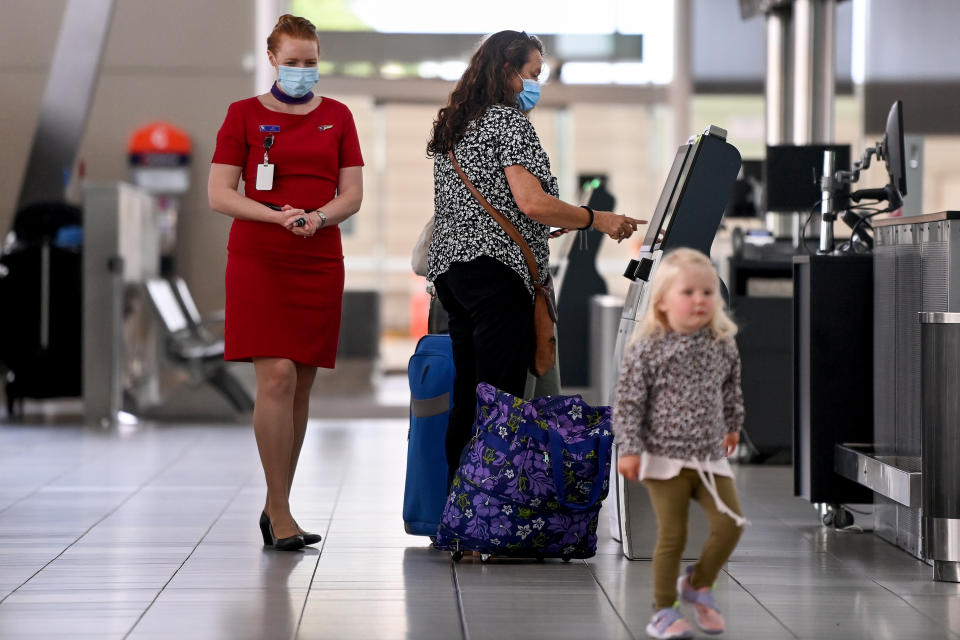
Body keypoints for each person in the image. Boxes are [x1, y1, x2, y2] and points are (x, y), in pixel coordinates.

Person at [425, 30, 644, 482]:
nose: (536, 84)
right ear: (507, 73)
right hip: (496, 275)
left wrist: (551, 216)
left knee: (469, 394)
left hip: (454, 274)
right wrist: (595, 218)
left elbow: (502, 203)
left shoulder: (457, 123)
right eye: (533, 74)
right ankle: (492, 521)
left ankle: (461, 514)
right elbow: (531, 202)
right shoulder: (507, 121)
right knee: (502, 399)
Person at [207, 14, 363, 551]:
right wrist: (275, 215)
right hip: (260, 257)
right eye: (292, 61)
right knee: (275, 379)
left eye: (310, 62)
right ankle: (280, 509)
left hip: (317, 256)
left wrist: (319, 218)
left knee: (299, 387)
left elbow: (351, 193)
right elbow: (220, 192)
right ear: (272, 58)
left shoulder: (338, 117)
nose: (302, 71)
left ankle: (279, 505)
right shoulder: (243, 115)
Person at [612, 248, 747, 639]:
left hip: (707, 457)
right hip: (664, 458)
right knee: (673, 535)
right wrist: (631, 448)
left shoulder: (722, 343)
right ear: (663, 303)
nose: (700, 300)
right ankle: (663, 611)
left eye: (707, 292)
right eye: (688, 292)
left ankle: (698, 584)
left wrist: (733, 425)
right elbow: (629, 403)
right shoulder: (648, 349)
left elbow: (730, 390)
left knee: (730, 524)